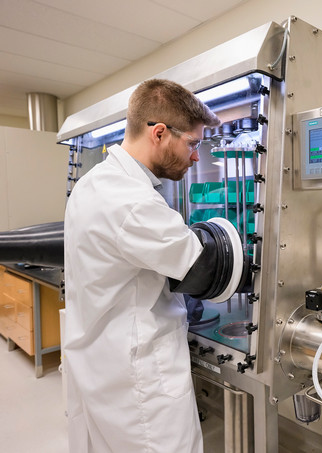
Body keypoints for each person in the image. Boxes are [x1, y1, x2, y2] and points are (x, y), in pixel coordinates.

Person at [63, 79, 221, 452]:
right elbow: (205, 266)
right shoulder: (133, 201)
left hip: (100, 368)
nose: (196, 157)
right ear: (160, 133)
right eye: (193, 144)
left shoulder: (91, 183)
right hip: (139, 381)